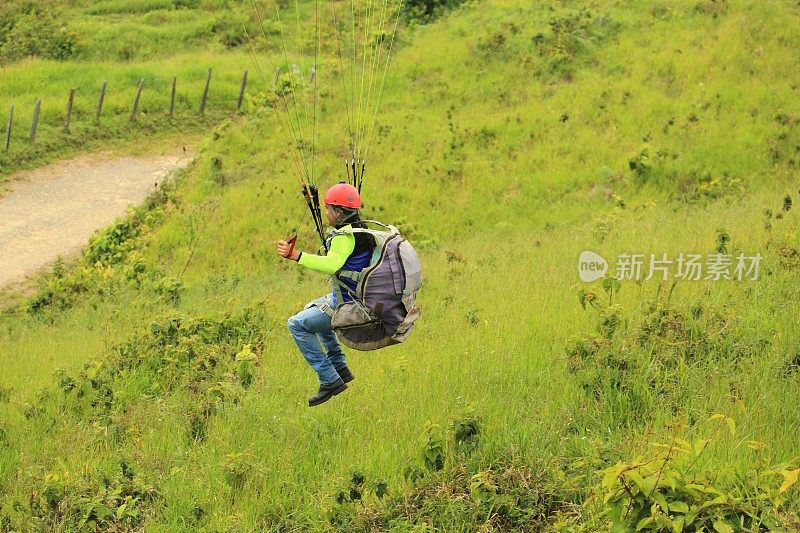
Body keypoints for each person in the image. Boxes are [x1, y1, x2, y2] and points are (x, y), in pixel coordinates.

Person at [276, 183, 376, 406]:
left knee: (296, 324)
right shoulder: (361, 230)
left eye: (329, 209)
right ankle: (340, 366)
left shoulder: (344, 238)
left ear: (339, 213)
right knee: (310, 309)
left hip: (349, 305)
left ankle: (330, 379)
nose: (326, 213)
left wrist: (297, 256)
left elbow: (332, 264)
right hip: (356, 297)